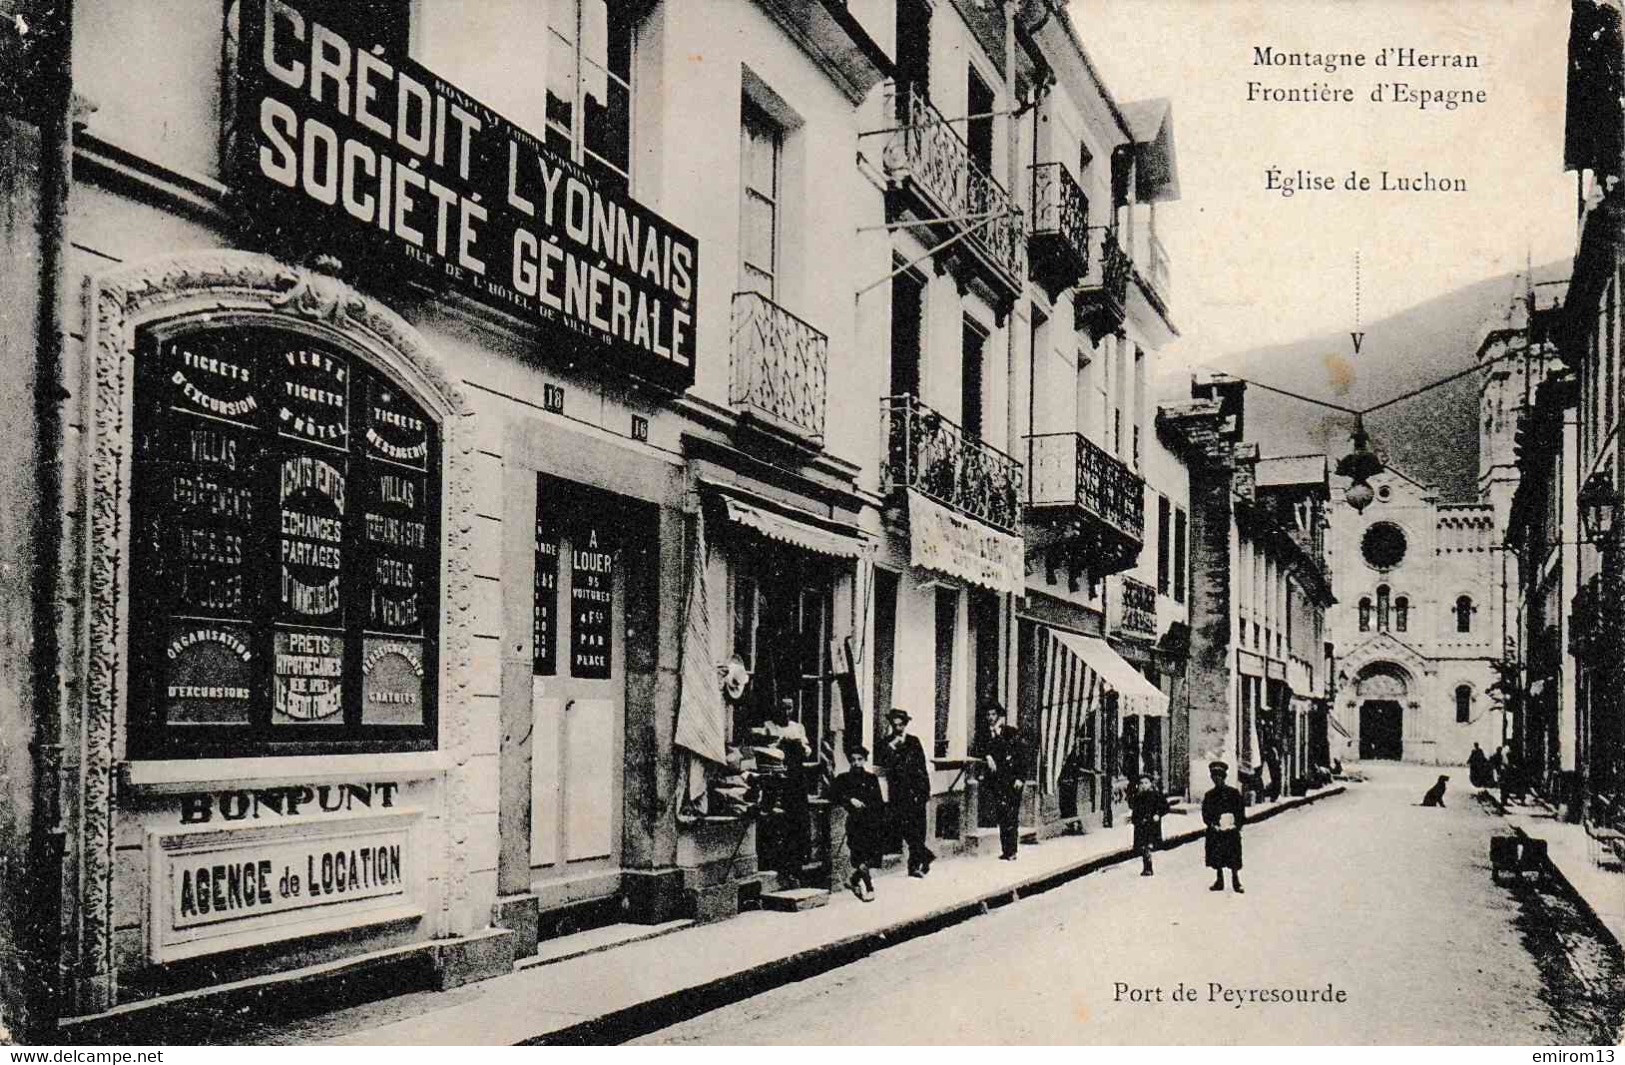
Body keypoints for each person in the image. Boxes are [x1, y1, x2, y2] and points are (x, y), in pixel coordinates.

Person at [755, 697, 812, 886]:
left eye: (790, 708)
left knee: (797, 822)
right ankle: (776, 866)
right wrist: (780, 742)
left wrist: (800, 746)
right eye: (783, 708)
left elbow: (807, 751)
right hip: (775, 779)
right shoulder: (768, 726)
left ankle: (795, 868)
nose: (786, 712)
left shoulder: (798, 727)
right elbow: (764, 750)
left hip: (795, 778)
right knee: (776, 821)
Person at [876, 708, 935, 877]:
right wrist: (892, 746)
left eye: (901, 725)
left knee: (918, 829)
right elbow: (881, 760)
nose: (898, 728)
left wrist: (925, 791)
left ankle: (914, 866)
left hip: (916, 791)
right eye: (895, 725)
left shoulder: (913, 742)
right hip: (898, 793)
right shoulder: (886, 743)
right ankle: (926, 855)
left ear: (905, 724)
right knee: (903, 827)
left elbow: (922, 767)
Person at [831, 746, 885, 901]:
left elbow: (878, 801)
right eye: (853, 760)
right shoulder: (843, 779)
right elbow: (832, 794)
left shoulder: (871, 778)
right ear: (849, 761)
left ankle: (853, 880)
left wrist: (879, 820)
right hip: (855, 824)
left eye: (859, 759)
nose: (856, 763)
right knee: (859, 857)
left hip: (871, 823)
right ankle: (869, 888)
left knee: (870, 857)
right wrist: (849, 800)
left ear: (865, 760)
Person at [980, 703, 1026, 861]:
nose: (990, 718)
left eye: (993, 715)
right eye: (988, 715)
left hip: (1013, 781)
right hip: (997, 782)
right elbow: (979, 749)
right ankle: (1005, 850)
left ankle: (1012, 850)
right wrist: (987, 756)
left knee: (1011, 815)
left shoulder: (1010, 732)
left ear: (999, 716)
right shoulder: (985, 735)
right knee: (1002, 814)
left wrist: (1021, 778)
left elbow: (1022, 756)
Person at [1201, 760, 1245, 893]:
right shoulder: (1209, 795)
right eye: (1214, 777)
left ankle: (1236, 881)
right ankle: (1219, 880)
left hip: (1230, 831)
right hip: (1216, 831)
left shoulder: (1233, 793)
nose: (1217, 779)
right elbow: (1206, 813)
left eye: (1219, 776)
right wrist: (1212, 824)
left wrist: (1236, 824)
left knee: (1233, 855)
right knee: (1216, 855)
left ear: (1224, 777)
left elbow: (1240, 810)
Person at [1128, 775, 1169, 876]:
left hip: (1151, 825)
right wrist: (1134, 820)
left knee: (1148, 845)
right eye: (1141, 783)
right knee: (1142, 847)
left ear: (1151, 784)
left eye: (1146, 783)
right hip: (1140, 825)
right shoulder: (1138, 797)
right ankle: (1146, 865)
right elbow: (1134, 809)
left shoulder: (1156, 795)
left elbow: (1165, 807)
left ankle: (1148, 867)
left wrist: (1158, 814)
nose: (1143, 785)